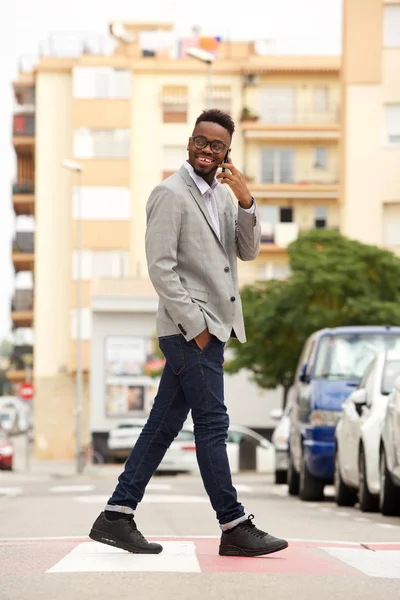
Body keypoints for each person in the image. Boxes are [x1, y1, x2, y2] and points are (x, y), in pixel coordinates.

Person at [89, 109, 288, 558]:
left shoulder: (221, 197)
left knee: (163, 426)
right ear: (189, 142)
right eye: (200, 140)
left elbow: (248, 251)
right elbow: (161, 268)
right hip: (190, 329)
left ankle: (116, 514)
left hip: (214, 327)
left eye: (216, 145)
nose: (206, 149)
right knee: (213, 425)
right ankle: (234, 524)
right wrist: (196, 328)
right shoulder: (169, 193)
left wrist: (247, 200)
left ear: (226, 154)